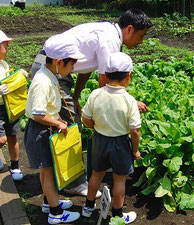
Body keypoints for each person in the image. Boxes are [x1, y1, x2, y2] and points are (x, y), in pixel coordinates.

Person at [30, 9, 153, 197]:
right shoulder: (111, 40)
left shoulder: (107, 32)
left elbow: (85, 67)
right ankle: (73, 182)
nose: (141, 41)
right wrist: (128, 102)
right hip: (53, 66)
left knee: (67, 120)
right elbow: (106, 84)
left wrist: (77, 96)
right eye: (141, 35)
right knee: (71, 125)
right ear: (129, 29)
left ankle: (57, 172)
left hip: (57, 65)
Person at [24, 35, 83, 224]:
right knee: (48, 173)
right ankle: (56, 214)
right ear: (59, 62)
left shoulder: (48, 74)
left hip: (42, 129)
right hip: (41, 131)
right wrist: (58, 123)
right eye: (71, 65)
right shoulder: (43, 81)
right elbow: (39, 114)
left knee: (45, 172)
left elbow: (47, 107)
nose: (72, 69)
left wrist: (57, 117)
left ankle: (49, 203)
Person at [81, 52, 141, 224]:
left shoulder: (96, 94)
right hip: (121, 143)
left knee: (95, 175)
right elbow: (135, 131)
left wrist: (97, 128)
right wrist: (135, 150)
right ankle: (117, 215)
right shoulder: (129, 101)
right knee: (119, 180)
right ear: (128, 76)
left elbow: (85, 118)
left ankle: (88, 207)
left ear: (106, 76)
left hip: (99, 139)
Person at [0, 30, 27, 181]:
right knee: (1, 139)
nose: (8, 47)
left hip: (10, 107)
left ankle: (15, 165)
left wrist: (18, 74)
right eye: (5, 45)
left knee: (12, 135)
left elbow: (9, 79)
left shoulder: (3, 64)